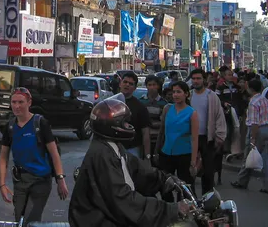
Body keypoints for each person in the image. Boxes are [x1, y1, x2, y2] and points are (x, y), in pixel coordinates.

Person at [69, 96, 190, 227]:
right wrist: (170, 209)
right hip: (97, 220)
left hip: (106, 216)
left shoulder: (113, 147)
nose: (129, 126)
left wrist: (164, 179)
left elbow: (139, 170)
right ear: (112, 125)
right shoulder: (102, 155)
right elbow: (122, 200)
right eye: (125, 122)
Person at [0, 87, 68, 225]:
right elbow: (3, 157)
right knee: (19, 219)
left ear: (29, 102)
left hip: (40, 180)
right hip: (20, 181)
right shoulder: (10, 126)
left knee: (30, 221)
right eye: (14, 102)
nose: (17, 106)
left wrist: (60, 179)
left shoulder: (40, 123)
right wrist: (2, 184)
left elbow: (54, 154)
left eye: (21, 102)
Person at [155, 81, 198, 194]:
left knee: (186, 189)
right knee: (165, 186)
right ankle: (168, 209)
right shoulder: (167, 109)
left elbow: (194, 138)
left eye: (179, 92)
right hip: (166, 153)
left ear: (186, 94)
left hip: (184, 155)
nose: (175, 95)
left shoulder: (192, 113)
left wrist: (193, 162)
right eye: (174, 92)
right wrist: (156, 151)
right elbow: (162, 131)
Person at [232, 79, 268, 194]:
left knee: (248, 155)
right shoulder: (265, 100)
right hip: (266, 129)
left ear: (250, 88)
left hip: (256, 130)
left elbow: (254, 122)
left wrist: (253, 138)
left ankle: (241, 181)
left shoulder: (253, 102)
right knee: (264, 158)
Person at [189, 68, 227, 194]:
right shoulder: (189, 95)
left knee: (208, 172)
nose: (196, 81)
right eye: (193, 79)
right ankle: (191, 200)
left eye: (198, 78)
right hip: (190, 139)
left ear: (204, 80)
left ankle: (207, 200)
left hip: (207, 138)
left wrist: (220, 136)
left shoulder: (212, 96)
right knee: (190, 171)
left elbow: (219, 117)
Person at [119, 73, 151, 159]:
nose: (127, 85)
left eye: (131, 84)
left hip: (132, 149)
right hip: (112, 148)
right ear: (120, 83)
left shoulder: (140, 107)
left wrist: (147, 156)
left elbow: (145, 133)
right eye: (125, 82)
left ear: (135, 88)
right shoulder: (110, 103)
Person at [139, 75, 168, 159]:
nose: (152, 87)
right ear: (146, 86)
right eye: (149, 85)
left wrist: (150, 123)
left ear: (158, 86)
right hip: (143, 140)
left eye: (154, 85)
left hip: (159, 140)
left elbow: (164, 123)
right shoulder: (141, 101)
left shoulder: (163, 103)